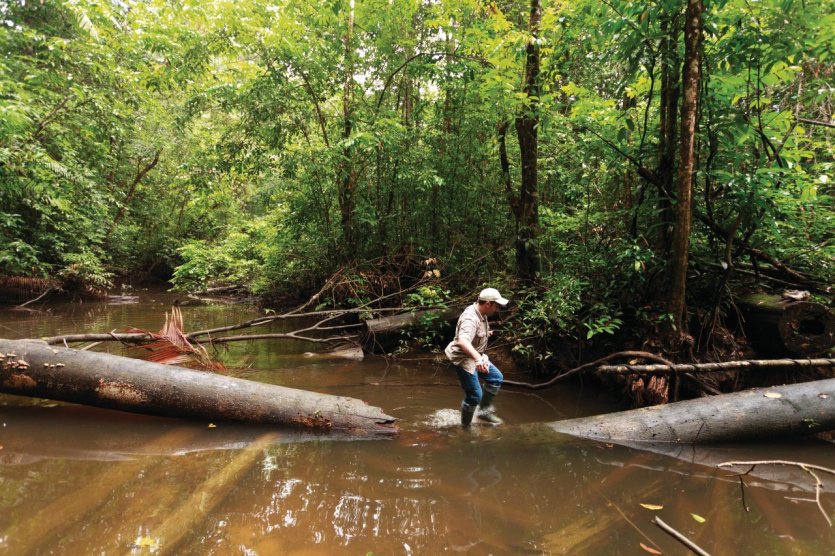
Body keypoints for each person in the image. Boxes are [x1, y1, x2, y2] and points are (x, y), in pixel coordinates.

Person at [445, 287, 509, 428]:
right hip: (463, 358)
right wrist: (478, 359)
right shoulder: (470, 317)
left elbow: (474, 333)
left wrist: (486, 333)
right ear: (488, 304)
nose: (498, 309)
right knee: (475, 396)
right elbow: (462, 341)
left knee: (496, 378)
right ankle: (465, 427)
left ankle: (483, 413)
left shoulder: (481, 313)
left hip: (476, 354)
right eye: (496, 305)